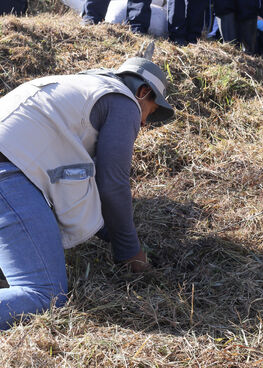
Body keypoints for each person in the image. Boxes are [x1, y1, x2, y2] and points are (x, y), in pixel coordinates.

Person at [0, 54, 174, 330]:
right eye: (149, 114)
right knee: (44, 294)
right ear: (143, 92)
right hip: (7, 172)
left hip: (10, 165)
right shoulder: (124, 102)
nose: (143, 125)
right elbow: (113, 185)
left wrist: (108, 232)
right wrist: (130, 251)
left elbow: (80, 185)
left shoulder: (81, 87)